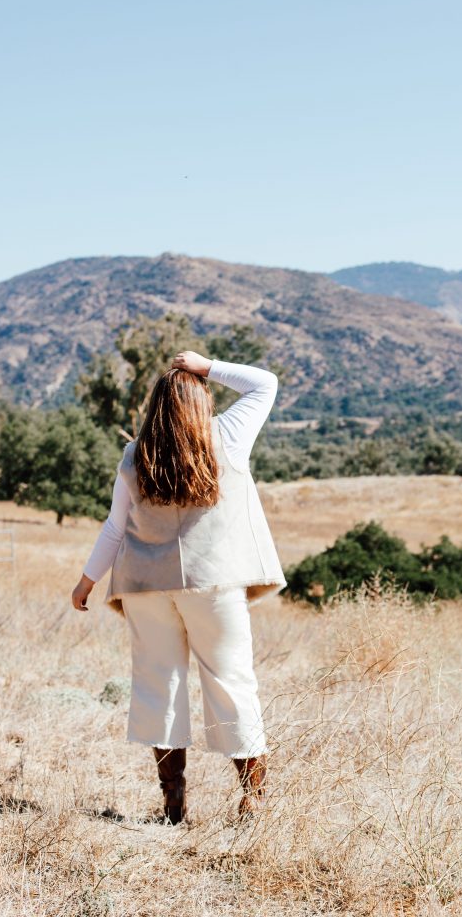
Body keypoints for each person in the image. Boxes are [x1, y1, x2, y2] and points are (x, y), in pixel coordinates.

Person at [70, 350, 286, 824]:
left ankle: (173, 803)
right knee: (232, 683)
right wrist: (206, 365)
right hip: (215, 585)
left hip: (147, 588)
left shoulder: (136, 454)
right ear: (201, 403)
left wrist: (86, 582)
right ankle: (253, 798)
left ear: (157, 406)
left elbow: (113, 528)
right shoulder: (228, 436)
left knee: (158, 687)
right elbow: (264, 383)